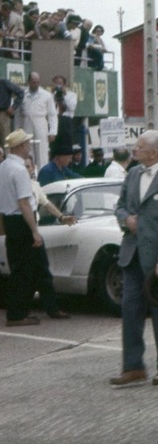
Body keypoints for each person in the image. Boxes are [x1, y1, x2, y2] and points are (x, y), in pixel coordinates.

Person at [108, 130, 158, 388]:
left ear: (154, 152)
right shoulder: (133, 174)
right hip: (132, 257)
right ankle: (133, 367)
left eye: (139, 146)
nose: (134, 149)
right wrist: (126, 219)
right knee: (130, 311)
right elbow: (120, 205)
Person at [2, 129, 70, 325]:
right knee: (25, 270)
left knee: (32, 267)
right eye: (27, 143)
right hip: (22, 221)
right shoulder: (19, 170)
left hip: (10, 220)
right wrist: (34, 231)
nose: (29, 146)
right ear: (21, 146)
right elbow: (24, 203)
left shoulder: (4, 167)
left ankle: (49, 307)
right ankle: (17, 314)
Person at [15, 72, 56, 164]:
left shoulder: (46, 95)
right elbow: (18, 115)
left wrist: (52, 131)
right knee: (27, 150)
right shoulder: (22, 95)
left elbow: (52, 115)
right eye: (34, 82)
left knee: (42, 150)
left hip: (41, 123)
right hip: (26, 123)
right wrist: (17, 130)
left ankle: (42, 174)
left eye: (38, 82)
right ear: (29, 81)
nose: (36, 85)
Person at [0, 77, 25, 143]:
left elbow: (20, 92)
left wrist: (13, 107)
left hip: (3, 114)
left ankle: (7, 153)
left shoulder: (4, 82)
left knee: (5, 141)